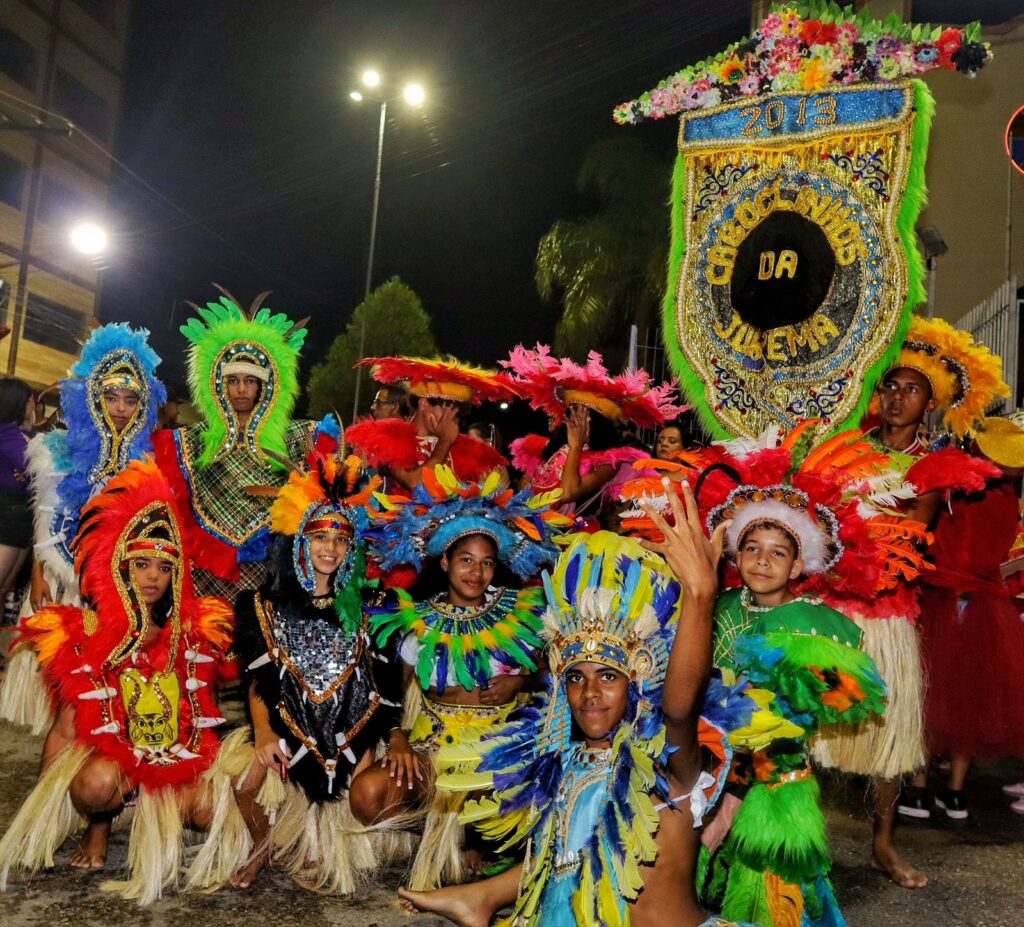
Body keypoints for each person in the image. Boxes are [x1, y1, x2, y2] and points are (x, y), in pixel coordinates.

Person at [397, 494, 750, 927]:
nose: (589, 693)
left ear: (636, 681)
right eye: (575, 678)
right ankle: (483, 895)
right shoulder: (570, 763)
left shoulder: (666, 764)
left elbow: (679, 709)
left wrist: (699, 596)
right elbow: (563, 859)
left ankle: (482, 895)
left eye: (608, 677)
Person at [811, 316, 1007, 888]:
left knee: (890, 737)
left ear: (930, 404)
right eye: (890, 386)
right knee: (806, 720)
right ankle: (800, 836)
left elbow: (911, 529)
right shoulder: (846, 449)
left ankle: (882, 844)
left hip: (889, 611)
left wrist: (854, 520)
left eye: (911, 390)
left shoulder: (934, 464)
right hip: (831, 603)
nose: (897, 398)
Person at [186, 416, 409, 893]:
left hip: (351, 732)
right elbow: (260, 681)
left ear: (352, 547)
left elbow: (385, 686)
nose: (329, 547)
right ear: (300, 539)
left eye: (340, 539)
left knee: (368, 799)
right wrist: (264, 734)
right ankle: (265, 845)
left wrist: (375, 740)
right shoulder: (263, 605)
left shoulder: (373, 606)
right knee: (245, 783)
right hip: (289, 729)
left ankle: (327, 833)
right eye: (319, 537)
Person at [0, 460, 237, 904]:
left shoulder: (195, 633)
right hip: (115, 768)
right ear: (120, 565)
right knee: (94, 784)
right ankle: (99, 828)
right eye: (141, 564)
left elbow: (205, 719)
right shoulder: (84, 633)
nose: (152, 577)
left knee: (209, 809)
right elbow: (67, 729)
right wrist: (42, 807)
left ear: (177, 574)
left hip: (171, 755)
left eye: (163, 568)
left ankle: (161, 819)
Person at [359, 465, 569, 890]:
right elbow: (395, 695)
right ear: (445, 562)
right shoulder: (416, 621)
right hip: (436, 747)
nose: (477, 573)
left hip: (504, 750)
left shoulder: (524, 612)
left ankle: (480, 842)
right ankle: (447, 832)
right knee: (367, 794)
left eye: (487, 563)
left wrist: (523, 683)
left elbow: (565, 667)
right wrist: (398, 737)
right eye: (466, 561)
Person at [696, 467, 888, 927]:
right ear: (734, 556)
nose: (762, 561)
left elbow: (787, 728)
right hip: (706, 761)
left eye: (777, 553)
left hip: (771, 774)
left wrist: (729, 806)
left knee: (771, 886)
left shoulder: (807, 626)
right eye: (751, 549)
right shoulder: (719, 607)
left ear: (798, 567)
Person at [0, 325, 166, 733]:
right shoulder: (57, 450)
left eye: (131, 399)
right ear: (93, 397)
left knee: (101, 701)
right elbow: (45, 520)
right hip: (62, 583)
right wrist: (39, 576)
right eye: (111, 396)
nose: (121, 408)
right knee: (63, 701)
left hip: (115, 592)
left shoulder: (147, 462)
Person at [153, 288, 313, 598]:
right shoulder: (190, 442)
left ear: (264, 387)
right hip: (205, 572)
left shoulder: (293, 440)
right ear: (218, 384)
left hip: (264, 569)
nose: (241, 389)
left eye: (250, 381)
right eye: (233, 380)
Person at [911, 415, 1024, 820]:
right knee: (968, 699)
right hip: (985, 606)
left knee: (929, 696)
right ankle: (956, 793)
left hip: (941, 597)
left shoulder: (957, 486)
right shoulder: (1009, 497)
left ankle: (920, 791)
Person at [501, 343, 684, 520]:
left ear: (598, 423)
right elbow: (527, 484)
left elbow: (568, 493)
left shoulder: (609, 462)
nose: (576, 422)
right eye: (572, 413)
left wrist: (575, 447)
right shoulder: (555, 446)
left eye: (584, 417)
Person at [347, 356, 512, 492]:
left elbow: (500, 481)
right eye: (447, 409)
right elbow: (415, 484)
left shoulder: (462, 446)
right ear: (424, 403)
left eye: (457, 412)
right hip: (397, 528)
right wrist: (445, 443)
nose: (452, 419)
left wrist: (495, 482)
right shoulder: (388, 436)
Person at [0, 378, 36, 599]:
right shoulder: (5, 433)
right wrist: (31, 472)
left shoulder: (26, 435)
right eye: (32, 400)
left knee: (4, 591)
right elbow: (33, 465)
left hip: (21, 522)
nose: (35, 406)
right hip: (6, 520)